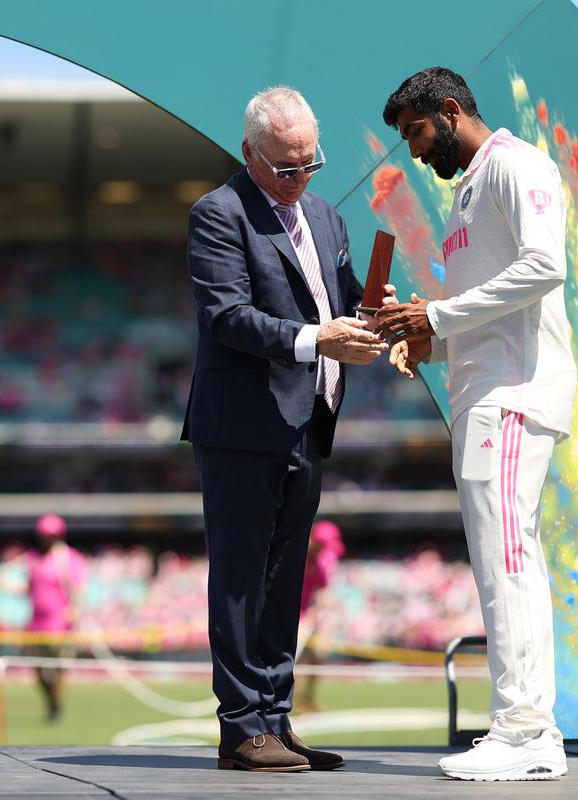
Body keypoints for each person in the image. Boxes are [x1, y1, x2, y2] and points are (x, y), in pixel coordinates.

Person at [375, 66, 577, 781]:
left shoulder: (515, 164)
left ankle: (526, 731)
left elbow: (545, 267)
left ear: (451, 111)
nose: (414, 152)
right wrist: (437, 336)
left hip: (515, 394)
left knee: (509, 557)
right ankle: (525, 727)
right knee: (500, 560)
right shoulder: (468, 193)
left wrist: (434, 314)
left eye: (417, 134)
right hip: (485, 392)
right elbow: (494, 305)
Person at [181, 85, 390, 772]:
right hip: (243, 425)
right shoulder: (219, 214)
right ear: (250, 153)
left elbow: (347, 300)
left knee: (283, 579)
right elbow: (227, 317)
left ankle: (273, 715)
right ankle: (241, 728)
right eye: (285, 167)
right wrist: (316, 340)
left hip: (308, 421)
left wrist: (391, 321)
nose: (299, 178)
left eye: (310, 164)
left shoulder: (326, 217)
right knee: (241, 579)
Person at [25, 513, 87, 723]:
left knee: (60, 666)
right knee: (38, 668)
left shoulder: (68, 558)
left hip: (59, 623)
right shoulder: (33, 558)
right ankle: (51, 700)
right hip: (36, 623)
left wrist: (74, 608)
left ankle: (56, 703)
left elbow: (79, 587)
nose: (46, 538)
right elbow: (28, 589)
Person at [295, 519, 344, 713]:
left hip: (308, 619)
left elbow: (323, 592)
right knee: (293, 663)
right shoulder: (295, 556)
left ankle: (307, 699)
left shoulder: (320, 564)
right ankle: (292, 702)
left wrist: (323, 611)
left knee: (317, 656)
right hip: (291, 619)